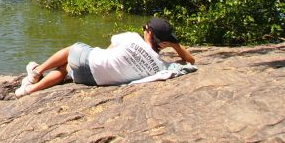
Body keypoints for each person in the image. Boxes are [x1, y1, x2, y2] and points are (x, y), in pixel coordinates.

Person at [15, 17, 195, 97]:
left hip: (91, 65)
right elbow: (190, 61)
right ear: (165, 42)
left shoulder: (132, 37)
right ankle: (29, 91)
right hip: (93, 80)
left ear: (148, 33)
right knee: (65, 70)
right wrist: (173, 43)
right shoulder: (160, 67)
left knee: (73, 49)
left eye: (145, 28)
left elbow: (108, 50)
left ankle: (36, 72)